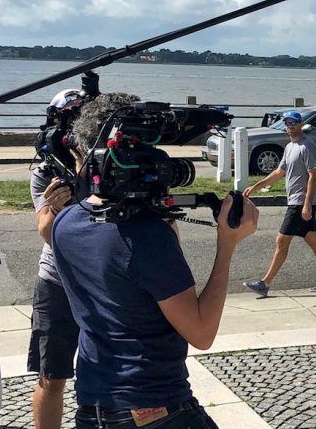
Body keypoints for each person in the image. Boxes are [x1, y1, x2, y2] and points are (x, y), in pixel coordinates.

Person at [50, 92, 260, 428]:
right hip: (156, 409)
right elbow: (202, 333)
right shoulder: (144, 238)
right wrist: (227, 244)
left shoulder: (66, 222)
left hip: (94, 409)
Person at [28, 89, 86, 429]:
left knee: (110, 373)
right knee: (53, 377)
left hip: (103, 282)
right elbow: (47, 233)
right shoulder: (45, 173)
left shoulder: (110, 169)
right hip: (57, 283)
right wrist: (56, 207)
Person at [244, 110, 316, 297]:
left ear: (301, 124)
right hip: (297, 202)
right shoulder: (289, 147)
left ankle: (265, 283)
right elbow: (280, 172)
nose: (290, 126)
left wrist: (307, 203)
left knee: (281, 240)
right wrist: (256, 186)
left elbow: (314, 175)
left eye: (293, 122)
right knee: (311, 237)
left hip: (300, 202)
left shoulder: (307, 146)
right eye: (287, 122)